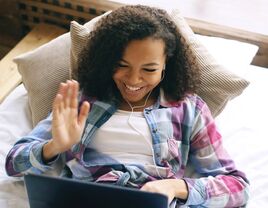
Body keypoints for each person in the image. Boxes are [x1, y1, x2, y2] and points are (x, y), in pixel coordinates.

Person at [5, 5, 249, 207]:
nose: (133, 80)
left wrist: (174, 187)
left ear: (167, 65)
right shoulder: (82, 101)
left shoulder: (189, 110)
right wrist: (54, 146)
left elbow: (237, 187)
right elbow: (14, 164)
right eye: (122, 65)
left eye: (149, 69)